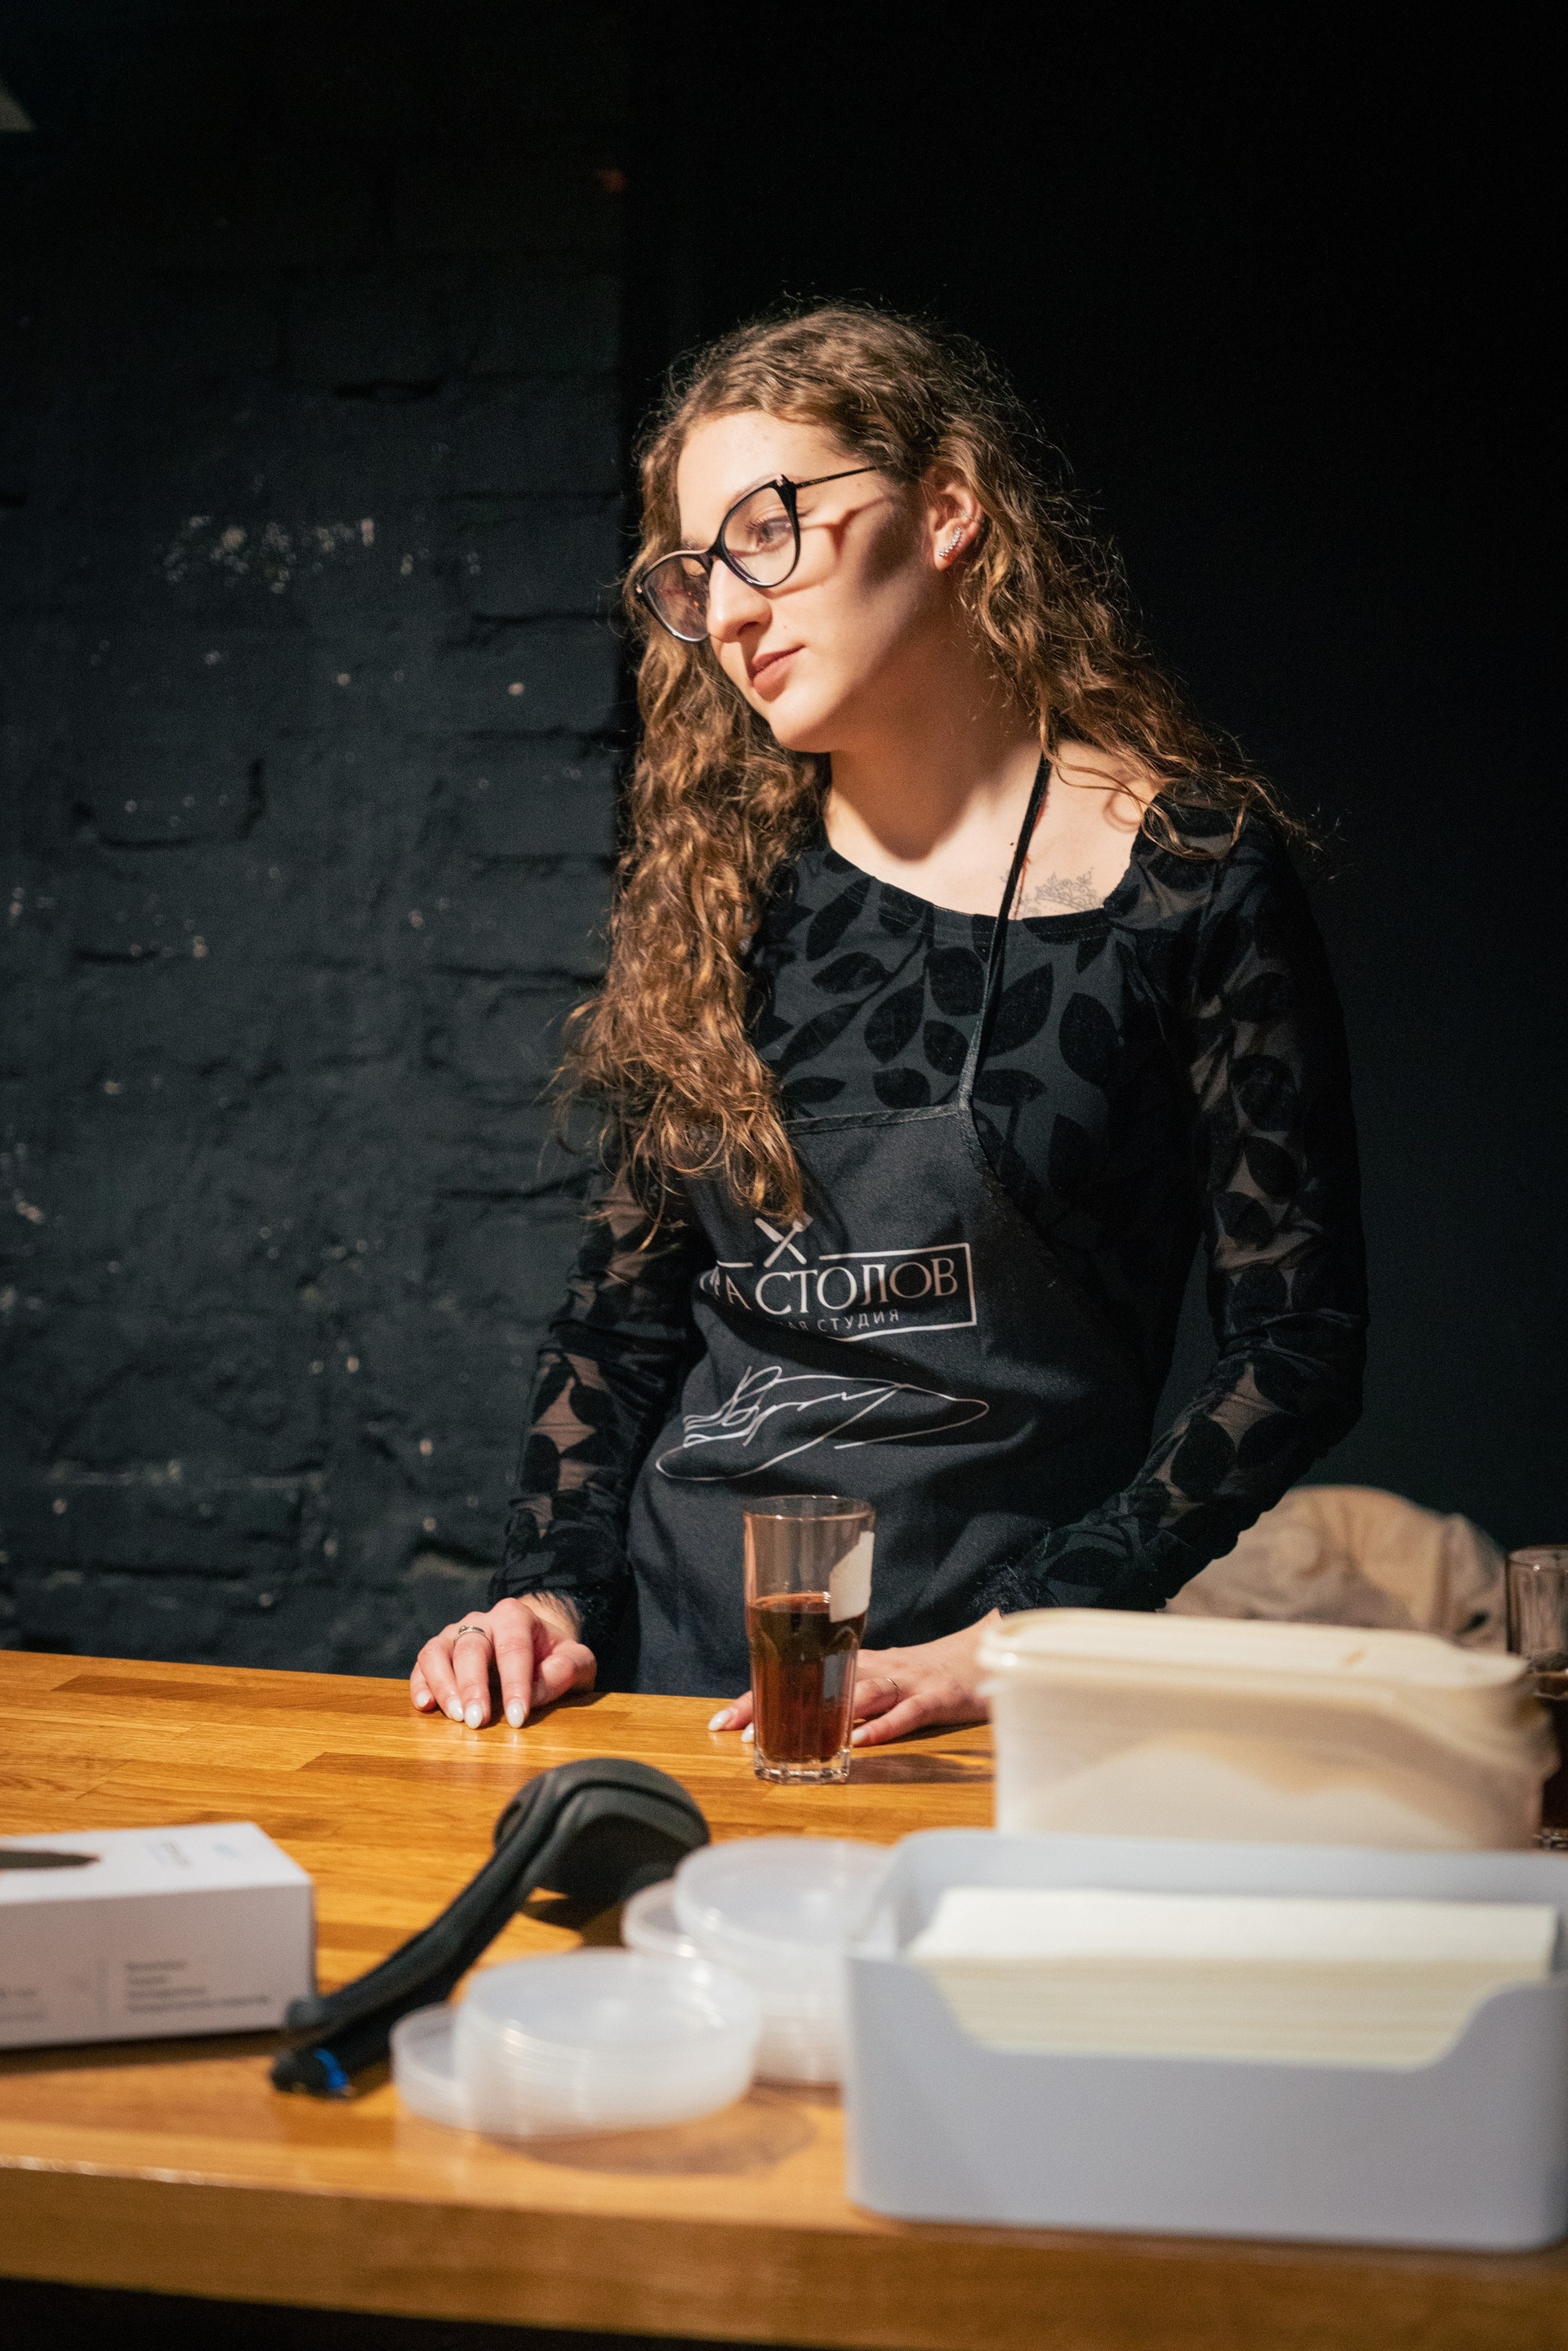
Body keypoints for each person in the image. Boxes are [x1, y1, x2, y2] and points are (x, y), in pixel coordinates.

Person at [410, 305, 1366, 1748]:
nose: (732, 611)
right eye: (697, 572)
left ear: (949, 509)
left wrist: (1024, 1636)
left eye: (769, 531)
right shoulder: (725, 892)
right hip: (675, 1681)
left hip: (976, 1703)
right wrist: (543, 1596)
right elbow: (617, 1329)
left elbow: (1297, 1348)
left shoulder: (1186, 880)